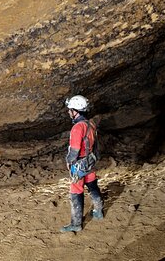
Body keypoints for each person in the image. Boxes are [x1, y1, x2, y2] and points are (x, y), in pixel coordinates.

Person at [60, 94, 104, 232]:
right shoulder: (91, 123)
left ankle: (76, 224)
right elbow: (95, 144)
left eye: (70, 109)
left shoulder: (77, 128)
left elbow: (74, 150)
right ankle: (98, 211)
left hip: (79, 164)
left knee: (76, 191)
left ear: (76, 111)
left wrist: (69, 162)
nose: (69, 112)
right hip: (90, 161)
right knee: (92, 186)